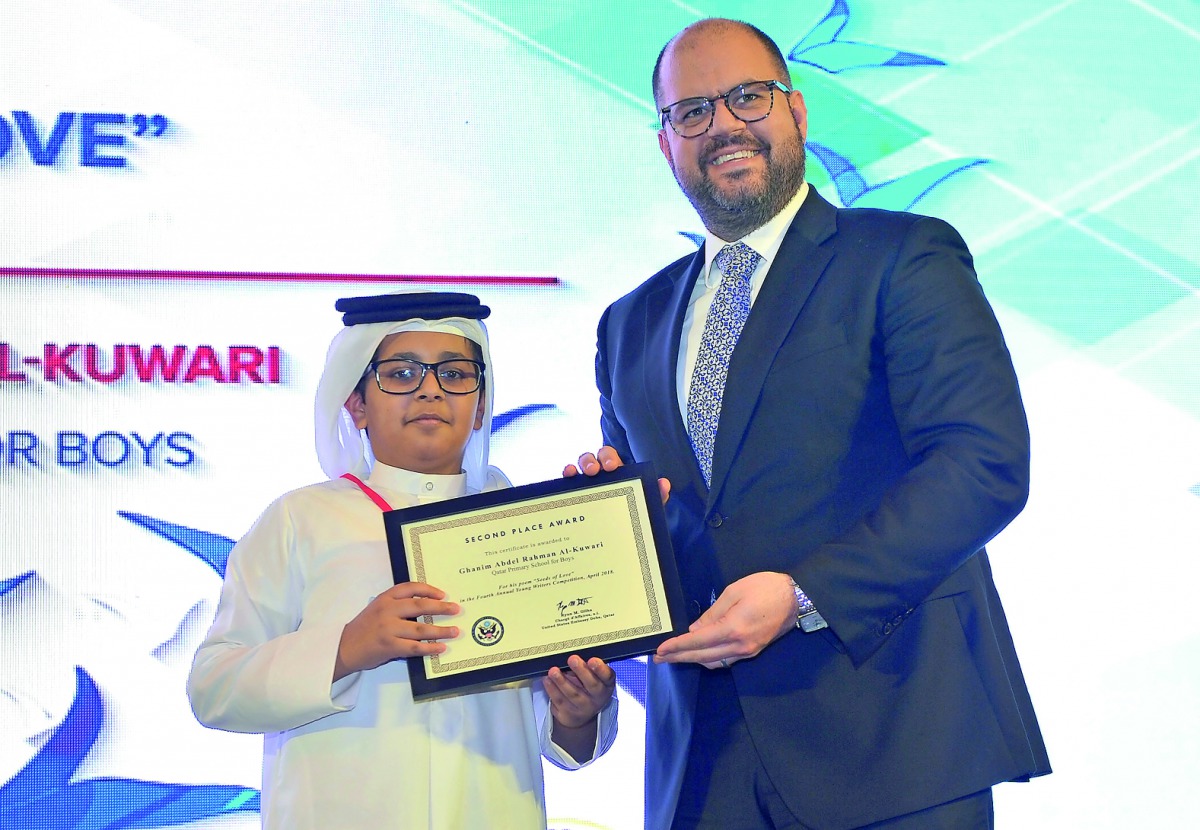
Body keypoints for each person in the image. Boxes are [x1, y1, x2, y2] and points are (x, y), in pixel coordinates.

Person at [572, 17, 1050, 830]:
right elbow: (670, 530)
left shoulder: (903, 256)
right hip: (704, 770)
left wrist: (804, 595)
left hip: (894, 746)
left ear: (795, 111)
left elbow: (983, 461)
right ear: (665, 144)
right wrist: (602, 524)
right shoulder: (629, 324)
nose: (722, 124)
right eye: (691, 113)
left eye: (746, 97)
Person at [187, 291, 617, 830]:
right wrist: (348, 647)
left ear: (481, 403)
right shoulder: (301, 519)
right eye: (402, 373)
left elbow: (555, 728)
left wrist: (578, 712)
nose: (432, 389)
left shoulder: (524, 526)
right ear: (357, 402)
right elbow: (214, 688)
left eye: (456, 374)